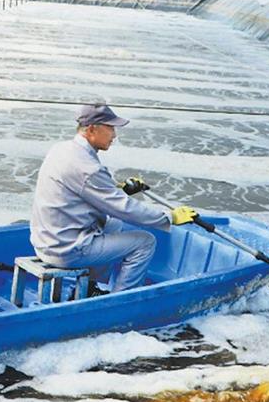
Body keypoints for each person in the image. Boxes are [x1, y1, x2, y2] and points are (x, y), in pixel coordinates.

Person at [30, 104, 197, 293]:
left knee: (114, 224)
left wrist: (119, 188)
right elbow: (123, 208)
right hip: (67, 250)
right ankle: (122, 298)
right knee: (145, 242)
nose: (114, 135)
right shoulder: (88, 168)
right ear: (92, 129)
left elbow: (85, 189)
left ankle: (90, 288)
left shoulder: (61, 149)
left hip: (45, 241)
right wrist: (169, 217)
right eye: (110, 128)